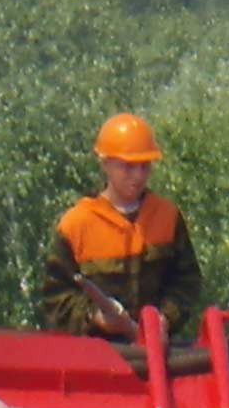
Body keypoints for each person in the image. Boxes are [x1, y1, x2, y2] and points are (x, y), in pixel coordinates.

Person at [38, 113, 204, 341]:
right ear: (105, 163)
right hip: (96, 359)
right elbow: (56, 298)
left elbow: (187, 281)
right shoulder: (76, 225)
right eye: (128, 167)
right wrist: (95, 316)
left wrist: (165, 318)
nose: (138, 176)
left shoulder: (168, 217)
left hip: (156, 355)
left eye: (145, 166)